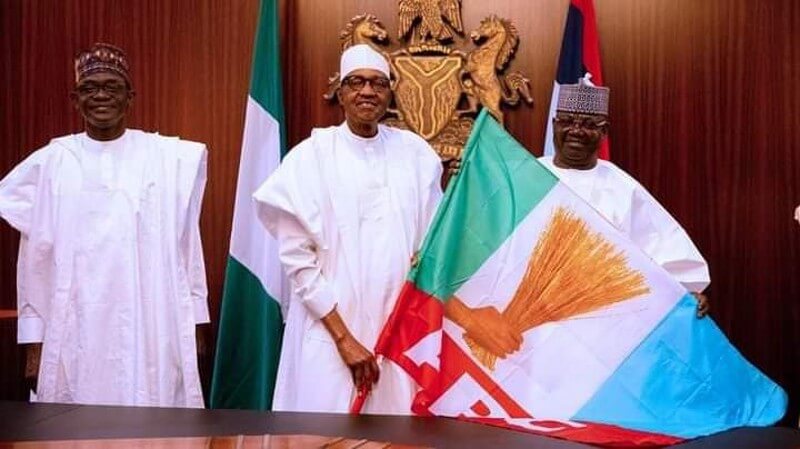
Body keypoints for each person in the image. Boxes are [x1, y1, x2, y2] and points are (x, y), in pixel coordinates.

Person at [0, 43, 209, 407]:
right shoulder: (52, 162)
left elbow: (187, 248)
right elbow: (32, 265)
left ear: (130, 98)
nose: (100, 96)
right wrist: (34, 344)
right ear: (74, 99)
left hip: (150, 323)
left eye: (111, 87)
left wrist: (196, 322)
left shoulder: (165, 159)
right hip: (75, 328)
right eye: (89, 88)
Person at [253, 44, 443, 414]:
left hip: (397, 330)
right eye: (356, 82)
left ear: (390, 92)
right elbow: (298, 263)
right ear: (340, 93)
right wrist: (344, 340)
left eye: (378, 83)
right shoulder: (311, 157)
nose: (367, 91)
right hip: (330, 329)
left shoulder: (416, 155)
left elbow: (432, 243)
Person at [539, 78, 711, 317]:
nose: (576, 131)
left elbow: (660, 246)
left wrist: (682, 294)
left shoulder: (622, 187)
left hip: (600, 315)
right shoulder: (528, 176)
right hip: (533, 311)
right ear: (555, 125)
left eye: (588, 124)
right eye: (567, 122)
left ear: (604, 132)